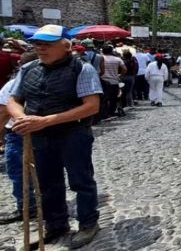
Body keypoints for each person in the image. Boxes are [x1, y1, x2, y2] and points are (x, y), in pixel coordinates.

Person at [6, 25, 102, 249]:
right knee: (47, 183)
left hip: (73, 134)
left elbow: (91, 106)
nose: (40, 48)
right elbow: (14, 99)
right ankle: (56, 224)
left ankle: (88, 223)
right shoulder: (29, 68)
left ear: (66, 46)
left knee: (81, 180)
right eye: (38, 43)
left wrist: (46, 120)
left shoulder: (81, 68)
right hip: (39, 135)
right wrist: (22, 118)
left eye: (47, 44)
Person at [0, 50, 38, 225]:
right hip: (42, 130)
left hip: (18, 132)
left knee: (18, 171)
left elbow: (3, 113)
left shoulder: (12, 85)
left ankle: (27, 206)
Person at [100, 45, 126, 119]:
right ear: (111, 51)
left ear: (102, 51)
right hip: (114, 81)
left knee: (104, 98)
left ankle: (104, 113)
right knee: (113, 98)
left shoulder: (101, 58)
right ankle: (111, 112)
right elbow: (124, 69)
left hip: (103, 80)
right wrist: (120, 76)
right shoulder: (117, 59)